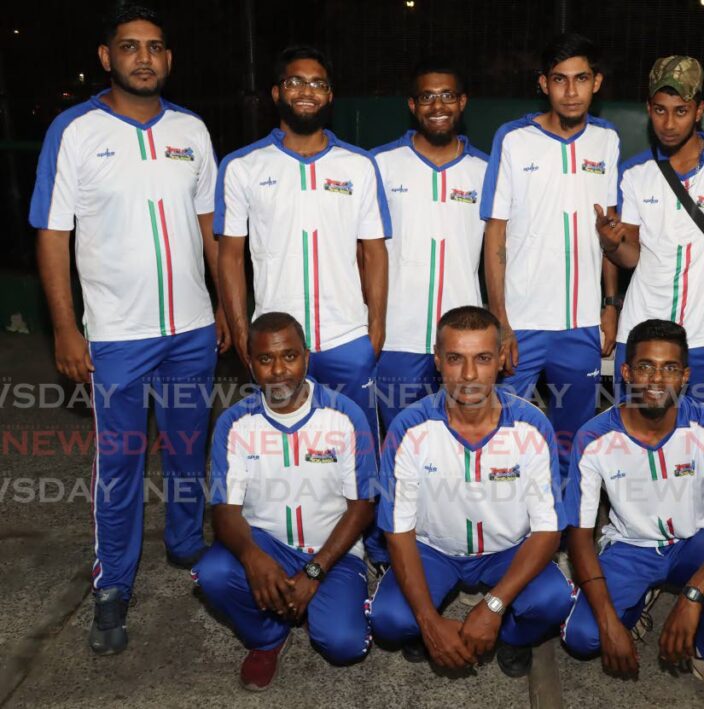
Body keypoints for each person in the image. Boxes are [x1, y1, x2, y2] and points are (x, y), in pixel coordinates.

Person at [29, 4, 230, 655]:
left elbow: (209, 225)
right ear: (106, 56)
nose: (144, 58)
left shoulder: (191, 129)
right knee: (119, 465)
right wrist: (65, 328)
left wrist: (226, 306)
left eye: (155, 47)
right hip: (116, 336)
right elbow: (53, 234)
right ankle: (113, 583)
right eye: (130, 46)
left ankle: (185, 542)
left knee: (188, 448)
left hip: (192, 330)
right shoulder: (75, 130)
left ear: (168, 58)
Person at [562, 319, 704, 709]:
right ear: (626, 372)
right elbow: (580, 536)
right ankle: (635, 604)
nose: (657, 379)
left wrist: (692, 596)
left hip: (693, 542)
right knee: (583, 638)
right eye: (645, 366)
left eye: (669, 368)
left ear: (685, 376)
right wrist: (609, 621)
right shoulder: (594, 436)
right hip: (629, 547)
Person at [369, 306, 573, 678]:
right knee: (390, 619)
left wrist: (493, 606)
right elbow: (397, 531)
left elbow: (548, 529)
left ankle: (511, 636)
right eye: (455, 359)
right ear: (437, 360)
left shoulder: (531, 425)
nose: (468, 374)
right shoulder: (409, 427)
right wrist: (429, 622)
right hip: (433, 551)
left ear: (501, 359)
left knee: (553, 600)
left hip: (507, 550)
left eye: (482, 358)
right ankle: (424, 631)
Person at [192, 312, 377, 691]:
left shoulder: (344, 415)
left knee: (345, 645)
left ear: (306, 357)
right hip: (267, 545)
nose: (278, 370)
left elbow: (363, 505)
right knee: (212, 573)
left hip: (333, 552)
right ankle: (267, 638)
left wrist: (314, 572)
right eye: (265, 359)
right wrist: (252, 557)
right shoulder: (235, 423)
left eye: (289, 356)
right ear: (250, 363)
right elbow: (224, 510)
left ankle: (309, 606)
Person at [216, 44, 390, 443]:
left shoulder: (359, 165)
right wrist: (243, 335)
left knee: (359, 448)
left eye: (318, 84)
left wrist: (375, 330)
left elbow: (374, 252)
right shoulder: (243, 166)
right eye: (295, 81)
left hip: (348, 338)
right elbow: (230, 257)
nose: (307, 91)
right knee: (284, 450)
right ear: (277, 92)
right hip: (277, 343)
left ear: (330, 96)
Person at [481, 32, 620, 476]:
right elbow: (495, 233)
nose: (571, 91)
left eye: (581, 78)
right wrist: (500, 320)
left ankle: (563, 519)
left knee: (572, 444)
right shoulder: (513, 138)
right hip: (521, 324)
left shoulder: (607, 139)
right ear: (544, 84)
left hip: (581, 323)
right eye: (560, 79)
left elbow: (609, 229)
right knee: (505, 438)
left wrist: (610, 304)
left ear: (597, 82)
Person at [603, 56, 704, 404]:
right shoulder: (634, 173)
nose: (668, 123)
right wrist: (612, 244)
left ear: (699, 110)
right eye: (660, 110)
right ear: (648, 109)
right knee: (632, 427)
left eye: (681, 111)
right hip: (640, 330)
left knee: (697, 430)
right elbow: (630, 257)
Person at [371, 58, 488, 430]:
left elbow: (502, 254)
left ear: (462, 102)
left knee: (460, 437)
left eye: (447, 95)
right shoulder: (379, 165)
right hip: (396, 336)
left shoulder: (487, 171)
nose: (438, 105)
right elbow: (361, 252)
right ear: (412, 105)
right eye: (427, 97)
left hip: (464, 342)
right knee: (399, 439)